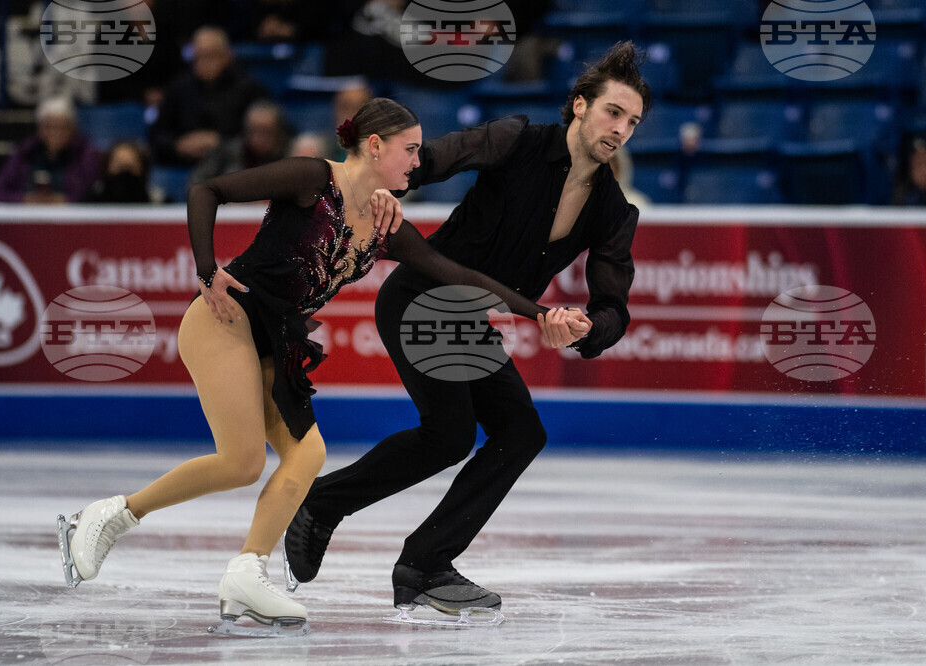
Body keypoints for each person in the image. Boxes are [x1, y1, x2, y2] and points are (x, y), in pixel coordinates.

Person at [58, 98, 576, 631]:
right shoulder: (312, 179)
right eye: (410, 149)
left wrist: (539, 313)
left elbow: (457, 275)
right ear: (374, 146)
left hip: (278, 338)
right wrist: (207, 270)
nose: (418, 162)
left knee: (305, 455)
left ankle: (246, 573)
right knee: (242, 462)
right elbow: (205, 190)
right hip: (227, 317)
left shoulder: (385, 225)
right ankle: (109, 517)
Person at [284, 41, 648, 618]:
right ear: (580, 105)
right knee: (451, 434)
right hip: (420, 298)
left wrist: (582, 328)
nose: (621, 129)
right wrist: (381, 184)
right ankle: (356, 526)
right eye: (613, 112)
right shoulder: (517, 140)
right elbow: (432, 159)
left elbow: (613, 308)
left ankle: (410, 555)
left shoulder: (613, 211)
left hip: (463, 319)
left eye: (632, 122)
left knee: (519, 433)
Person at [149, 26, 269, 166]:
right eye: (198, 56)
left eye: (210, 55)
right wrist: (178, 144)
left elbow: (258, 136)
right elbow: (157, 133)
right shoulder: (179, 87)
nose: (203, 62)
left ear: (227, 56)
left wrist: (221, 142)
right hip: (183, 163)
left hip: (231, 165)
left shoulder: (249, 88)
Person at [0, 96, 102, 204]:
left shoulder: (86, 154)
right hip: (29, 216)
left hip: (72, 218)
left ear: (72, 128)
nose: (55, 133)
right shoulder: (26, 151)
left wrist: (64, 200)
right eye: (48, 126)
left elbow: (94, 196)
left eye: (62, 127)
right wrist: (25, 199)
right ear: (39, 128)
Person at [189, 101, 293, 185]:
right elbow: (197, 184)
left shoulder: (290, 155)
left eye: (265, 132)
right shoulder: (228, 151)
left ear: (279, 132)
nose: (257, 139)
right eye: (252, 130)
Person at [82, 140, 168, 204]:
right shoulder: (90, 200)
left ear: (142, 169)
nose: (124, 174)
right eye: (119, 167)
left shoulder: (158, 201)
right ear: (107, 167)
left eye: (130, 167)